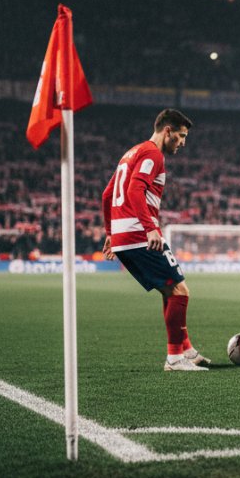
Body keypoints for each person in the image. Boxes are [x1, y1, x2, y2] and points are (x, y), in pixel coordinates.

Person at [101, 109, 209, 372]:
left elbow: (107, 194)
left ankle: (186, 350)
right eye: (181, 136)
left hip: (124, 235)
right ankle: (174, 359)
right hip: (140, 234)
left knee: (169, 290)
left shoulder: (131, 152)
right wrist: (150, 228)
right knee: (181, 291)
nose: (183, 142)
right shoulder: (153, 154)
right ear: (167, 131)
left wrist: (110, 233)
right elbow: (135, 189)